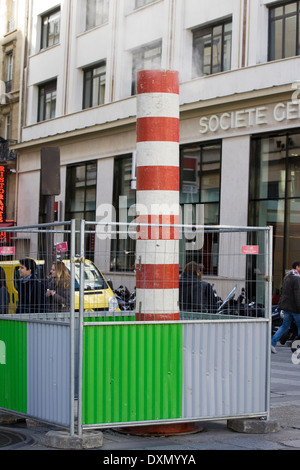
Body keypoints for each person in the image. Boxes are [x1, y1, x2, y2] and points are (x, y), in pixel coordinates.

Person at [271, 260, 300, 353]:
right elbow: (297, 295)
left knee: (284, 326)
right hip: (295, 308)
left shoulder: (287, 277)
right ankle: (298, 347)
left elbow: (284, 293)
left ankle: (272, 343)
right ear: (297, 267)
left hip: (286, 307)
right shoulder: (297, 278)